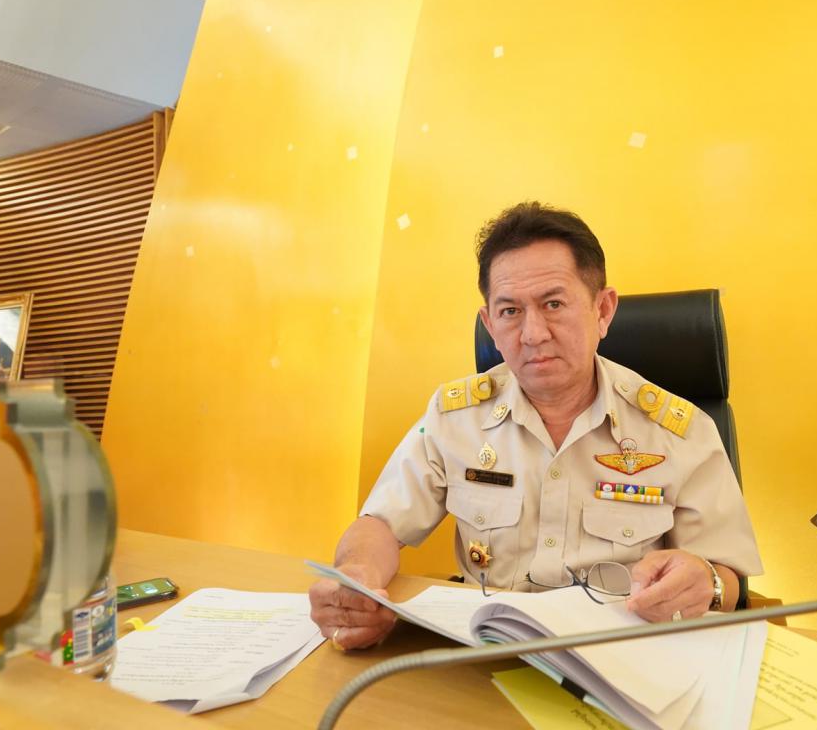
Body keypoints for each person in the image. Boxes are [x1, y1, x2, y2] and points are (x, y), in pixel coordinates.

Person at [309, 202, 761, 650]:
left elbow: (728, 580)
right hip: (487, 650)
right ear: (489, 323)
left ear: (603, 310)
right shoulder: (454, 417)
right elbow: (379, 525)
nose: (533, 334)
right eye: (510, 311)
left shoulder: (679, 431)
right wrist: (356, 577)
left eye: (553, 304)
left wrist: (706, 582)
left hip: (622, 657)